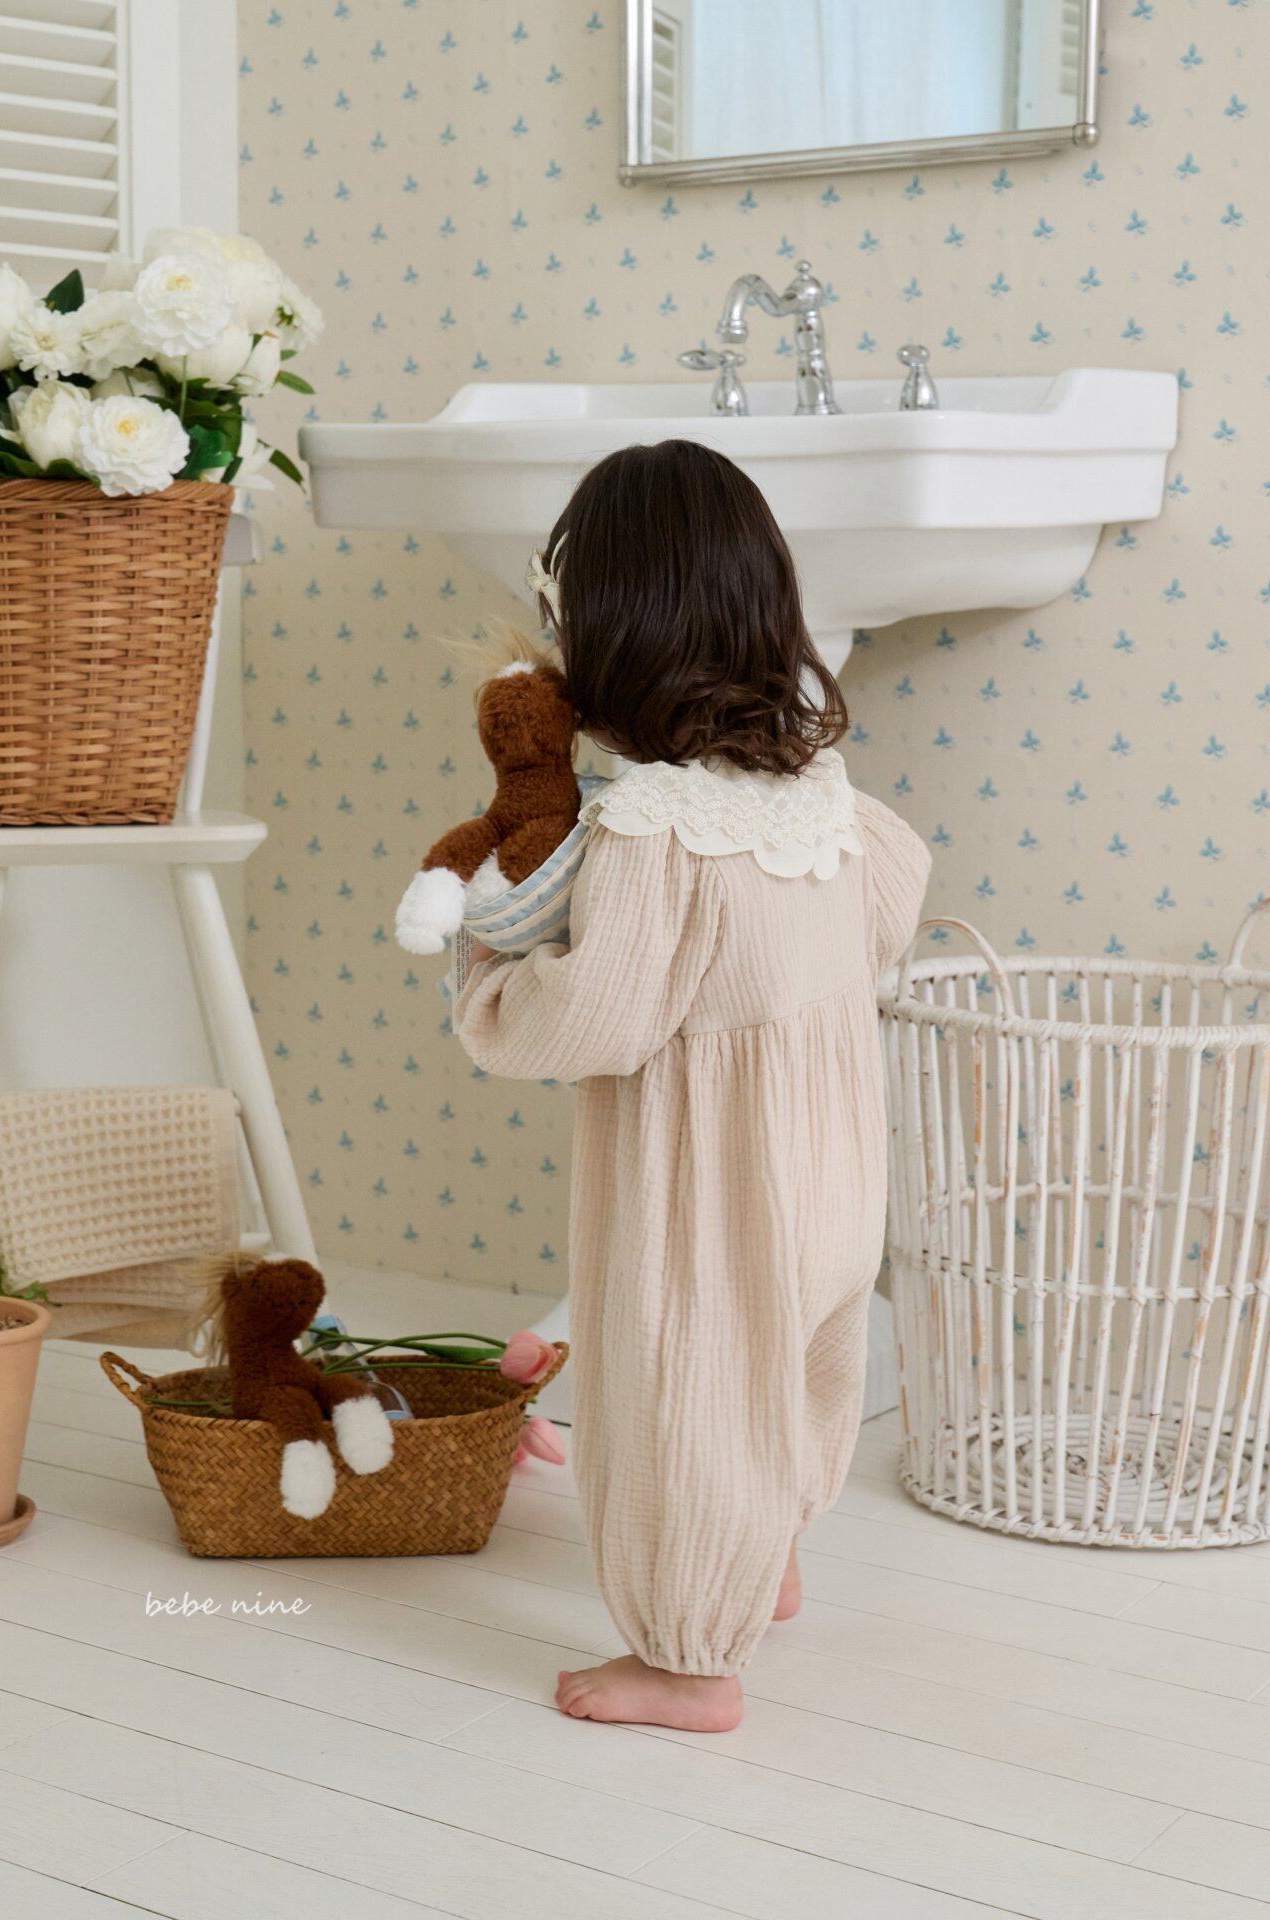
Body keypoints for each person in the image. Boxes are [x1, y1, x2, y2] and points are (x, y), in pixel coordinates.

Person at [455, 439, 930, 1731]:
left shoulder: (652, 831)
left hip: (709, 1197)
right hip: (834, 1171)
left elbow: (591, 1021)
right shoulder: (822, 800)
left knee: (683, 1402)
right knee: (795, 1375)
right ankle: (765, 1560)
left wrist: (488, 981)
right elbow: (893, 901)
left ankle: (687, 1660)